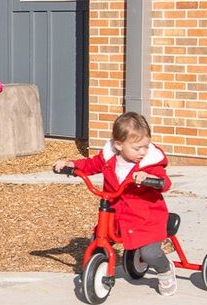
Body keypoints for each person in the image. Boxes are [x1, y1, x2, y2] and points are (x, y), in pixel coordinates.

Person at [59, 112, 178, 295]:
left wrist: (151, 177)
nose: (143, 152)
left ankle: (165, 271)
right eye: (137, 148)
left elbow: (165, 182)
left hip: (146, 218)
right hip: (116, 215)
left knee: (150, 254)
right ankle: (97, 270)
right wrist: (71, 164)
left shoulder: (149, 164)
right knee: (98, 242)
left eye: (146, 146)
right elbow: (90, 165)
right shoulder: (109, 159)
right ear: (119, 145)